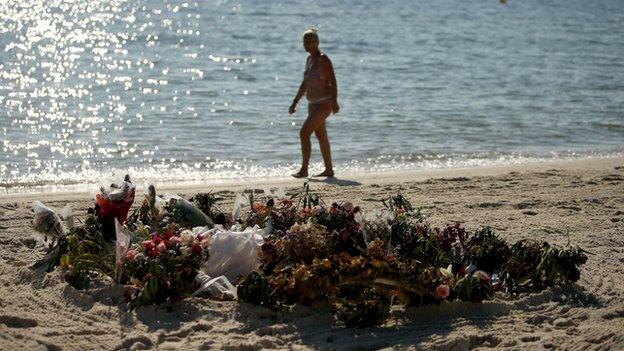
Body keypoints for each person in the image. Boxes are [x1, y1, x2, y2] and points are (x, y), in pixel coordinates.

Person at [289, 28, 339, 178]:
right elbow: (305, 84)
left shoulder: (323, 59)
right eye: (305, 41)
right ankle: (329, 169)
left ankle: (304, 170)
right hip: (312, 104)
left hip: (324, 104)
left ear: (317, 43)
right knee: (321, 136)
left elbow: (333, 82)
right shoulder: (309, 60)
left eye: (311, 41)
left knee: (304, 133)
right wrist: (295, 102)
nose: (308, 44)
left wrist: (335, 102)